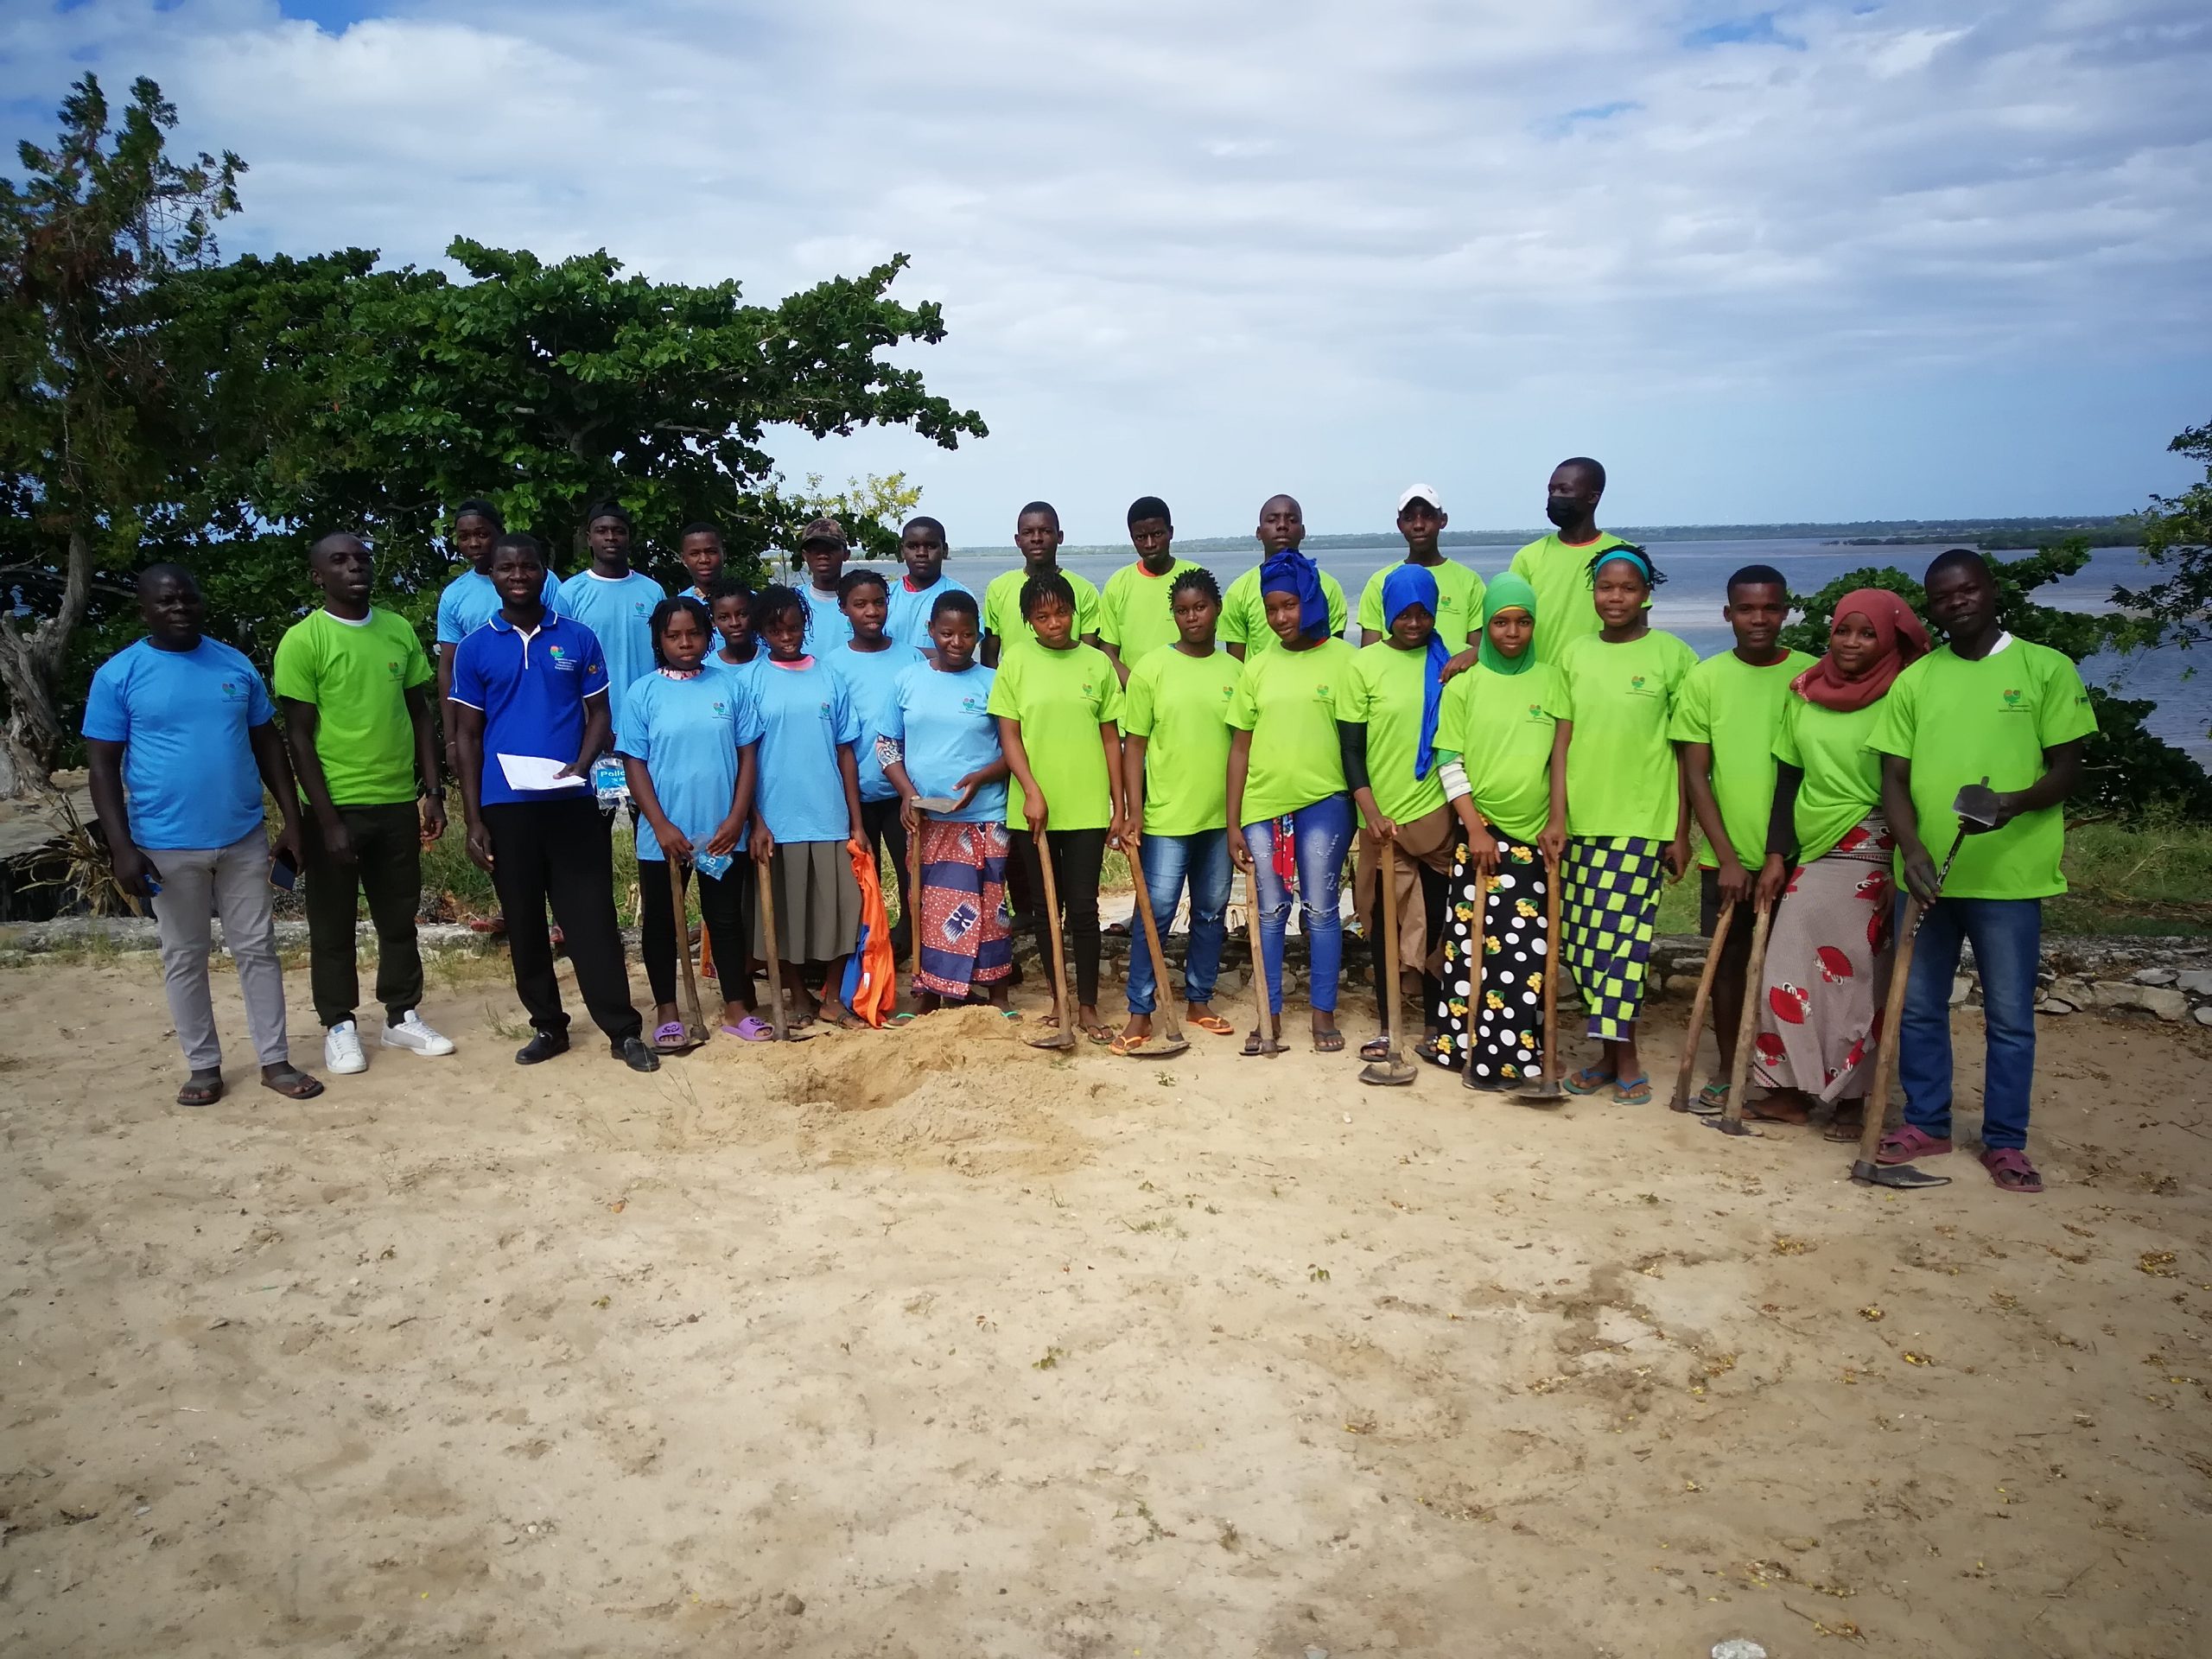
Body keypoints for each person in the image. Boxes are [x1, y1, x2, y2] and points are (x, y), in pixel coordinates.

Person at [1870, 550, 2094, 1194]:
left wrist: (2011, 803)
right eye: (1943, 596)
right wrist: (1911, 850)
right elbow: (1893, 778)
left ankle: (2005, 1142)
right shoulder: (1917, 680)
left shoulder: (2045, 668)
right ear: (1932, 608)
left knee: (2010, 1018)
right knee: (1918, 1008)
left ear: (1991, 591)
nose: (1958, 602)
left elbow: (2067, 769)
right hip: (1927, 880)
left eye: (1967, 589)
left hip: (2010, 879)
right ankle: (1927, 1123)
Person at [84, 565, 324, 1106]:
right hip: (164, 845)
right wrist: (121, 847)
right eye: (166, 601)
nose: (179, 608)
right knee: (185, 955)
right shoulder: (119, 675)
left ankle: (275, 1060)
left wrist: (292, 821)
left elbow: (268, 744)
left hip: (243, 836)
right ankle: (203, 1067)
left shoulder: (234, 664)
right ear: (144, 609)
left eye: (188, 599)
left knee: (257, 949)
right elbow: (101, 766)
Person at [450, 532, 658, 1072]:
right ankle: (548, 1026)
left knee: (591, 916)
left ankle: (622, 1029)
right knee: (523, 920)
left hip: (572, 800)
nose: (518, 575)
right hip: (505, 804)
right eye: (507, 568)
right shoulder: (476, 647)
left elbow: (600, 714)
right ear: (493, 575)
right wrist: (473, 818)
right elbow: (467, 735)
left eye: (528, 566)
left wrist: (582, 766)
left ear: (545, 572)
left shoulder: (578, 637)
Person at [273, 531, 455, 1076]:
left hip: (396, 800)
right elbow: (298, 737)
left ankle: (401, 1016)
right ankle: (339, 1025)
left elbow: (420, 714)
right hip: (334, 807)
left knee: (398, 918)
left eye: (361, 558)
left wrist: (432, 791)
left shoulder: (397, 629)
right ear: (318, 576)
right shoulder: (304, 641)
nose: (355, 567)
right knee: (332, 924)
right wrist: (326, 819)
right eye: (339, 561)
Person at [1748, 589, 1929, 1134]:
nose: (1852, 642)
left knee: (1857, 981)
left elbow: (1918, 784)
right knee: (1786, 969)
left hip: (1876, 848)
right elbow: (1789, 777)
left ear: (1890, 639)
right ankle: (1790, 1090)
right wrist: (1776, 854)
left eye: (1867, 633)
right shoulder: (1805, 691)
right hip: (1814, 851)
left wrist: (1903, 864)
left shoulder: (1906, 692)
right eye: (1843, 631)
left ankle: (1853, 1098)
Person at [1550, 546, 1695, 1103]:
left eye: (1628, 588)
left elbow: (1686, 752)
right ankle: (1608, 1058)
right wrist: (1557, 816)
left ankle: (1626, 1058)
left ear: (1647, 594)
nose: (1616, 598)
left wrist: (1680, 832)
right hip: (1580, 822)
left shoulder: (1673, 657)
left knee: (1624, 946)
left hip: (1641, 823)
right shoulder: (1574, 655)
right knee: (1584, 945)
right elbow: (1561, 743)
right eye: (1606, 587)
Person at [1669, 564, 1815, 1114]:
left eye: (1770, 608)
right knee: (1728, 968)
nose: (1759, 619)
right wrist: (1727, 857)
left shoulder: (1809, 675)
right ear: (1728, 614)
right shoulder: (1706, 679)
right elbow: (1695, 774)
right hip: (1726, 856)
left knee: (1792, 971)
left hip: (1800, 854)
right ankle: (1731, 1066)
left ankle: (1787, 1077)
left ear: (1786, 612)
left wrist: (1782, 852)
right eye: (1747, 609)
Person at [1429, 574, 1565, 1089]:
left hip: (1535, 840)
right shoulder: (1465, 685)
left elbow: (1559, 760)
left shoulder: (1552, 681)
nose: (1512, 632)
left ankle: (1511, 1055)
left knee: (1523, 953)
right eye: (1501, 622)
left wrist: (1556, 821)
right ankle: (1462, 1049)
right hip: (1480, 835)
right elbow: (1449, 761)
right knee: (1471, 949)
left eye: (1523, 622)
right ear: (1485, 625)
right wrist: (1475, 829)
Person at [1226, 548, 1358, 1054]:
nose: (1280, 618)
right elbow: (1240, 749)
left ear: (1310, 600)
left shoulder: (1346, 661)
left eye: (1289, 605)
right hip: (1264, 808)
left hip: (1325, 802)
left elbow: (1357, 743)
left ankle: (1323, 1014)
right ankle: (1270, 1013)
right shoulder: (1257, 667)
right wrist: (1233, 822)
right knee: (1270, 911)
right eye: (1271, 609)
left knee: (1322, 909)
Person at [618, 596, 766, 1045]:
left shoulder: (730, 687)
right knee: (663, 921)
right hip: (665, 836)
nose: (685, 643)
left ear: (707, 635)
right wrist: (660, 824)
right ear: (659, 641)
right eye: (674, 636)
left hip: (721, 833)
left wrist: (737, 818)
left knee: (726, 919)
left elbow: (747, 756)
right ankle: (667, 1009)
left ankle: (736, 1006)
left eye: (694, 633)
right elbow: (634, 763)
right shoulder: (643, 693)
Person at [988, 570, 1125, 1040]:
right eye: (1042, 616)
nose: (1054, 623)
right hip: (1033, 810)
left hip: (1086, 806)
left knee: (1084, 908)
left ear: (1074, 612)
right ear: (1029, 620)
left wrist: (1119, 805)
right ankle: (1058, 998)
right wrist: (1031, 790)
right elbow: (1009, 735)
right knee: (1048, 909)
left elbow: (1110, 738)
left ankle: (1087, 1005)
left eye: (1062, 613)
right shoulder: (1016, 661)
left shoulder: (1097, 663)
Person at [1113, 566, 1241, 1053]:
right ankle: (1140, 1011)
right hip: (1166, 817)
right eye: (1183, 610)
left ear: (1217, 610)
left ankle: (1199, 1001)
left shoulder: (1235, 672)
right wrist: (1133, 810)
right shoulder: (1151, 669)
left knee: (1210, 912)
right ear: (1174, 614)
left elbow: (1242, 748)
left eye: (1200, 607)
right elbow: (1134, 746)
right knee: (1156, 912)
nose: (1192, 617)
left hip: (1219, 819)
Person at [745, 583, 872, 1029]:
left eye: (794, 628)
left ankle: (832, 997)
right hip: (777, 820)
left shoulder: (829, 676)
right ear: (762, 632)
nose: (787, 637)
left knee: (842, 911)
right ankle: (798, 995)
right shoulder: (750, 682)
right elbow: (743, 760)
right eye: (776, 630)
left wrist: (856, 821)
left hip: (829, 815)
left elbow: (845, 751)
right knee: (782, 916)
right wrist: (755, 820)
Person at [880, 589, 1015, 1012]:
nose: (956, 643)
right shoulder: (908, 680)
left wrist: (981, 778)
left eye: (967, 634)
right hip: (927, 819)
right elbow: (887, 745)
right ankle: (929, 993)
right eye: (946, 634)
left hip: (984, 816)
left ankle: (997, 994)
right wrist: (907, 793)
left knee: (989, 908)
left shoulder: (993, 682)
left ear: (979, 635)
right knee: (930, 906)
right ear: (931, 631)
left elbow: (1015, 750)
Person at [1344, 564, 1458, 1062]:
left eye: (1423, 613)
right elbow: (1352, 750)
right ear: (1389, 613)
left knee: (1435, 925)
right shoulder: (1364, 666)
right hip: (1381, 822)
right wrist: (1370, 811)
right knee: (1381, 924)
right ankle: (1389, 1027)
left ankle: (1435, 1026)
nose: (1414, 623)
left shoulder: (1449, 665)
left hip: (1435, 818)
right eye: (1404, 614)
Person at [827, 569, 924, 963]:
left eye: (879, 602)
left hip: (902, 793)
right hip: (855, 793)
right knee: (863, 880)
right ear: (843, 608)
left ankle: (912, 945)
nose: (871, 612)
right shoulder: (833, 665)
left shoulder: (911, 658)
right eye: (860, 604)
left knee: (912, 875)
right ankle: (869, 953)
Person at [434, 499, 559, 779]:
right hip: (482, 708)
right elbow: (448, 667)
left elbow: (561, 641)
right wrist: (452, 738)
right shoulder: (454, 596)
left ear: (499, 531)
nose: (474, 543)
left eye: (482, 534)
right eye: (464, 537)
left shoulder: (541, 580)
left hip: (539, 705)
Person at [554, 501, 665, 748]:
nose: (610, 537)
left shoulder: (653, 591)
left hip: (649, 719)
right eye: (601, 531)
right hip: (592, 726)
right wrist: (593, 721)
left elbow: (665, 658)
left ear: (629, 537)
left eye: (618, 531)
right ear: (589, 538)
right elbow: (562, 664)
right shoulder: (569, 593)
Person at [1507, 459, 1630, 665]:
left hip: (1604, 675)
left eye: (1564, 490)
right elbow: (1509, 622)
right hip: (1543, 676)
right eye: (1551, 490)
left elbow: (1637, 627)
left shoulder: (1623, 556)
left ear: (1592, 497)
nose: (1554, 497)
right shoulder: (1528, 557)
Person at [1358, 485, 1484, 657]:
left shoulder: (1469, 582)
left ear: (1443, 520)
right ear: (1400, 524)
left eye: (1428, 516)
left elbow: (1478, 653)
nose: (1418, 525)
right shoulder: (1380, 582)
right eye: (1409, 518)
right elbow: (1369, 657)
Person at [1220, 495, 1348, 661]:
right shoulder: (1238, 592)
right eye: (1272, 520)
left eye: (1292, 520)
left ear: (1303, 531)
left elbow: (1337, 653)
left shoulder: (1328, 586)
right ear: (1259, 532)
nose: (1282, 526)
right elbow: (1236, 665)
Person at [982, 502, 1103, 666]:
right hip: (1015, 681)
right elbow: (989, 658)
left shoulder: (1084, 590)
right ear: (1018, 540)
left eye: (1046, 531)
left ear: (1060, 536)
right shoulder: (998, 589)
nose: (1037, 538)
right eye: (1028, 532)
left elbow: (1090, 656)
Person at [1097, 495, 1198, 683]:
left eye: (1157, 534)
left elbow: (1207, 641)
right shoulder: (1118, 584)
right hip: (1133, 693)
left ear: (1171, 532)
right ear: (1132, 538)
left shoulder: (1195, 577)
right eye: (1141, 537)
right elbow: (1108, 650)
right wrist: (1137, 687)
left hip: (1188, 688)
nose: (1150, 544)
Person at [883, 516, 970, 652]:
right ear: (902, 551)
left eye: (931, 546)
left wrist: (904, 654)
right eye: (913, 546)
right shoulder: (885, 596)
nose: (922, 553)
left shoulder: (960, 596)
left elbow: (963, 651)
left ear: (945, 550)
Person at [797, 516, 855, 646]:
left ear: (846, 554)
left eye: (831, 548)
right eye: (814, 549)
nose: (822, 555)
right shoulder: (792, 601)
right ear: (804, 555)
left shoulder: (863, 602)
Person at [676, 522, 726, 603]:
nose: (704, 560)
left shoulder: (745, 600)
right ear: (684, 559)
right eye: (694, 554)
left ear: (724, 554)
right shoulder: (679, 605)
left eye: (711, 552)